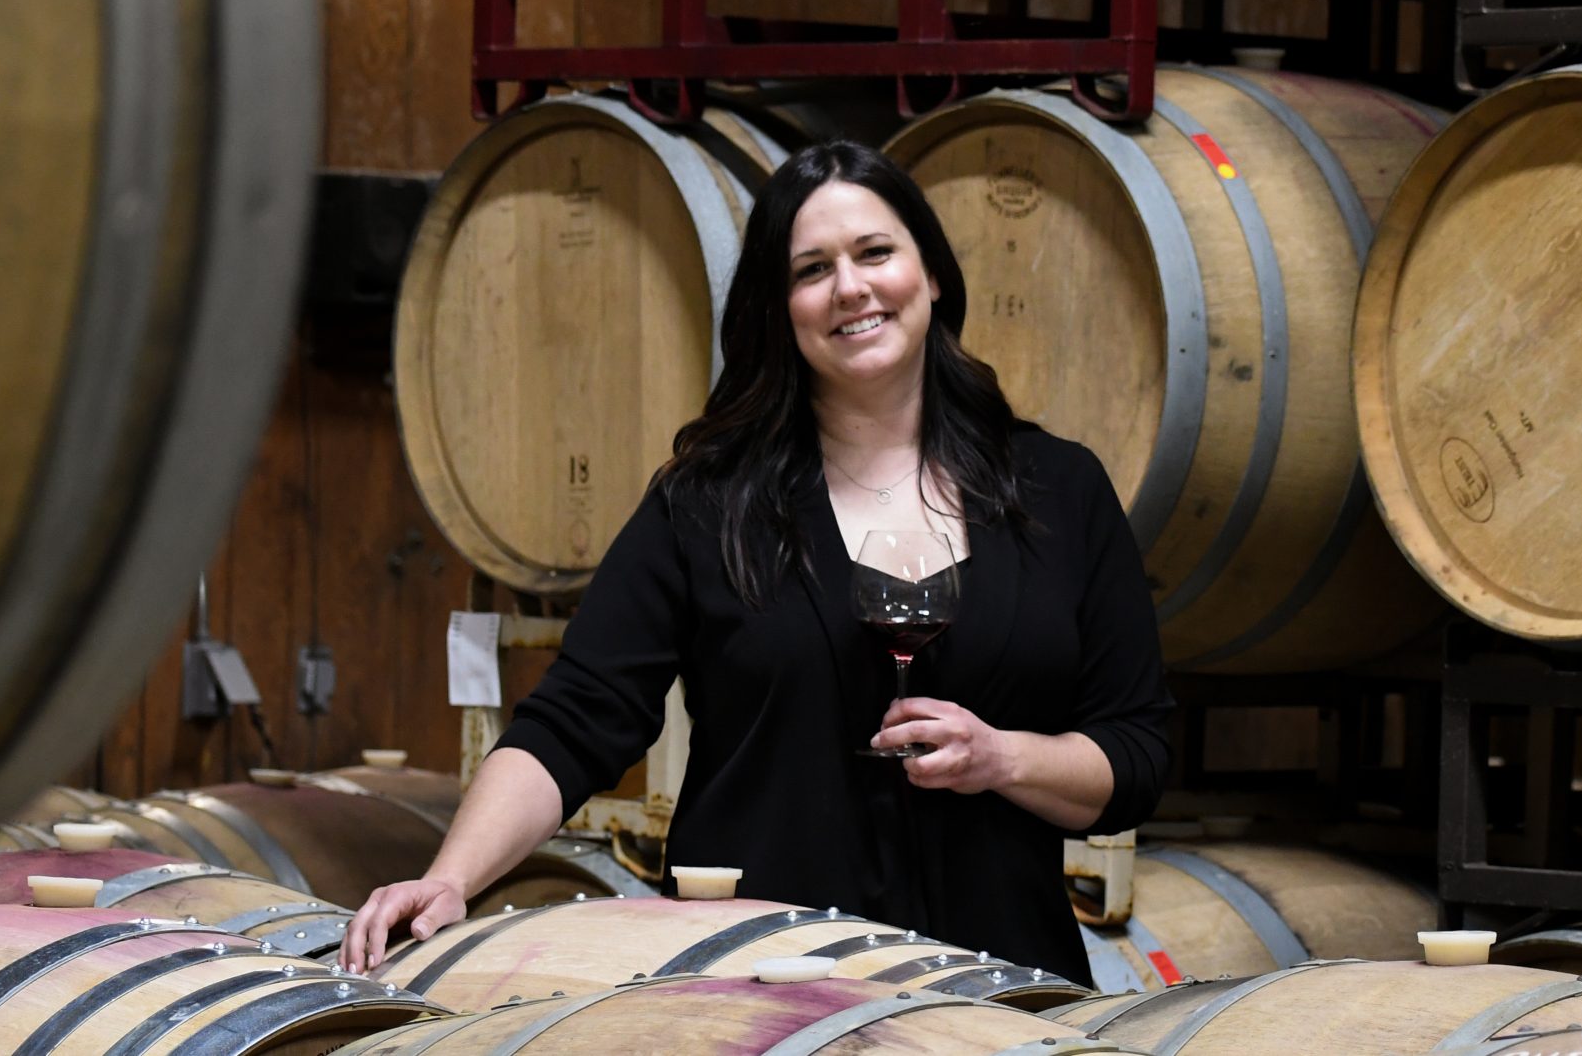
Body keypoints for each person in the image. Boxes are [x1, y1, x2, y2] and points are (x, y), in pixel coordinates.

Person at [341, 139, 1170, 984]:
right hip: (761, 1000)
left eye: (876, 253)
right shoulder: (707, 503)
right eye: (812, 270)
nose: (850, 287)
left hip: (1003, 993)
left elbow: (1136, 755)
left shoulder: (1057, 491)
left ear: (934, 276)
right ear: (780, 309)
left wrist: (1004, 758)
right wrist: (450, 878)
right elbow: (576, 719)